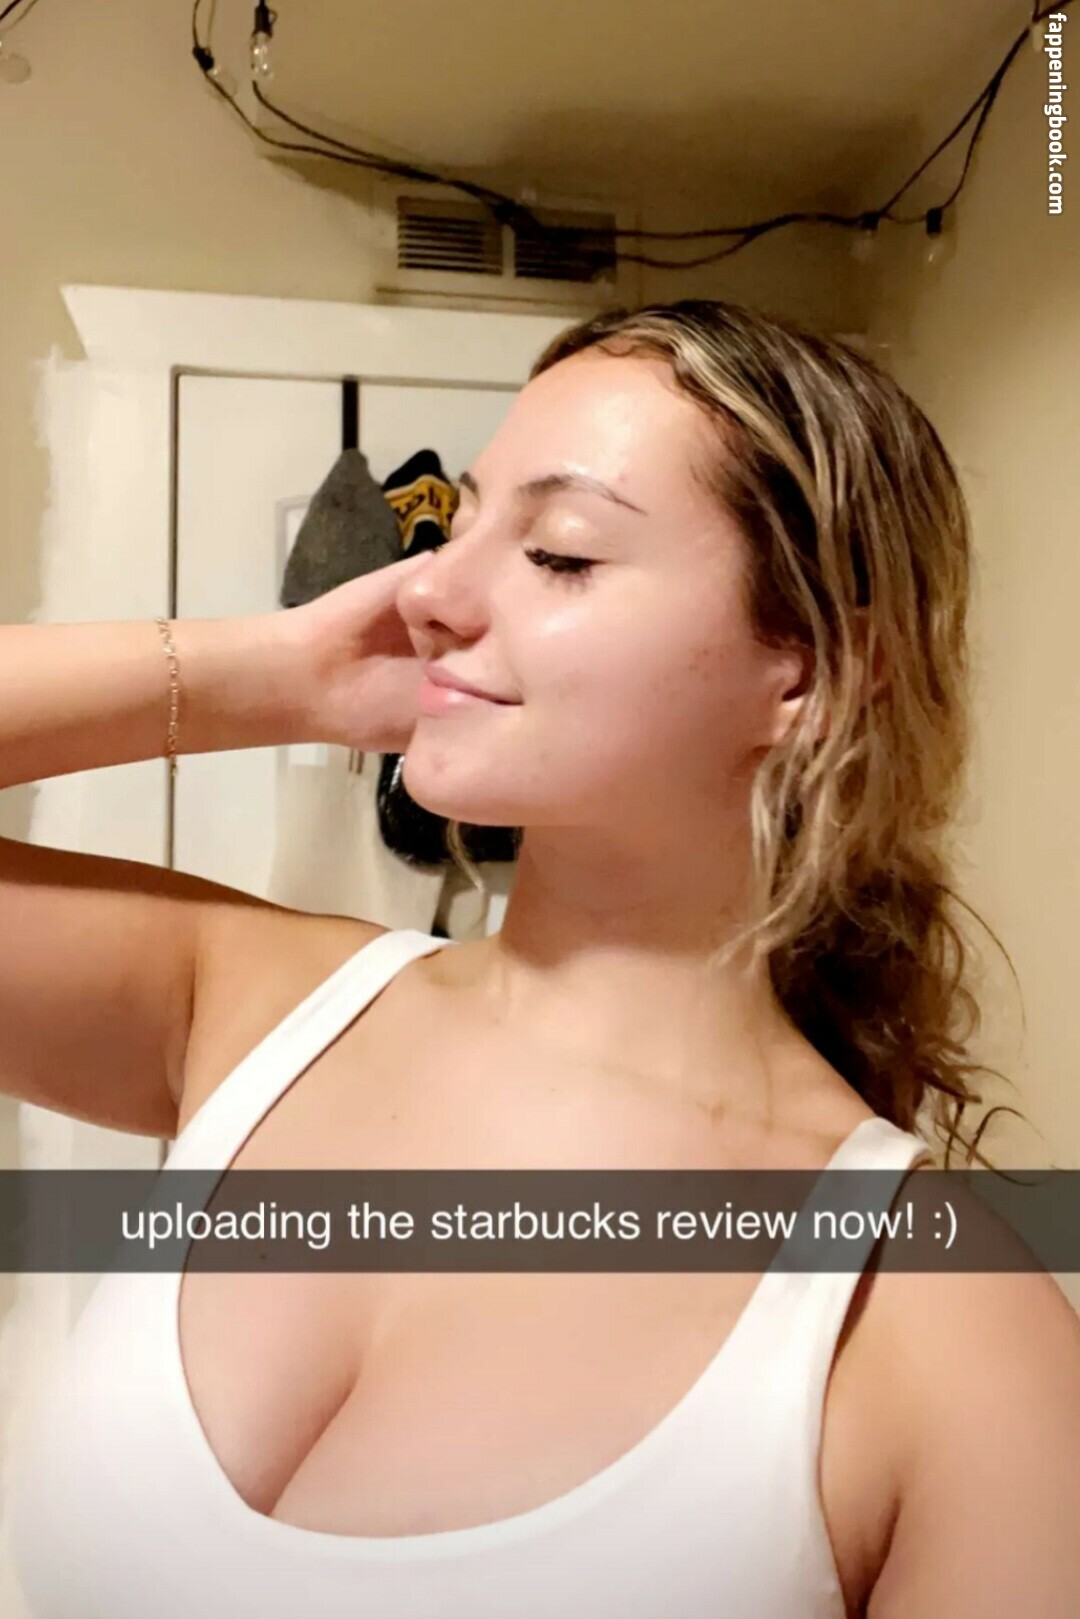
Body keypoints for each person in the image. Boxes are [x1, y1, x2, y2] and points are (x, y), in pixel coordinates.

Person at [2, 298, 1078, 1619]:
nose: (426, 590)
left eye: (560, 553)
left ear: (806, 671)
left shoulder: (942, 1336)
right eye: (459, 526)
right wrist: (267, 672)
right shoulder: (248, 1003)